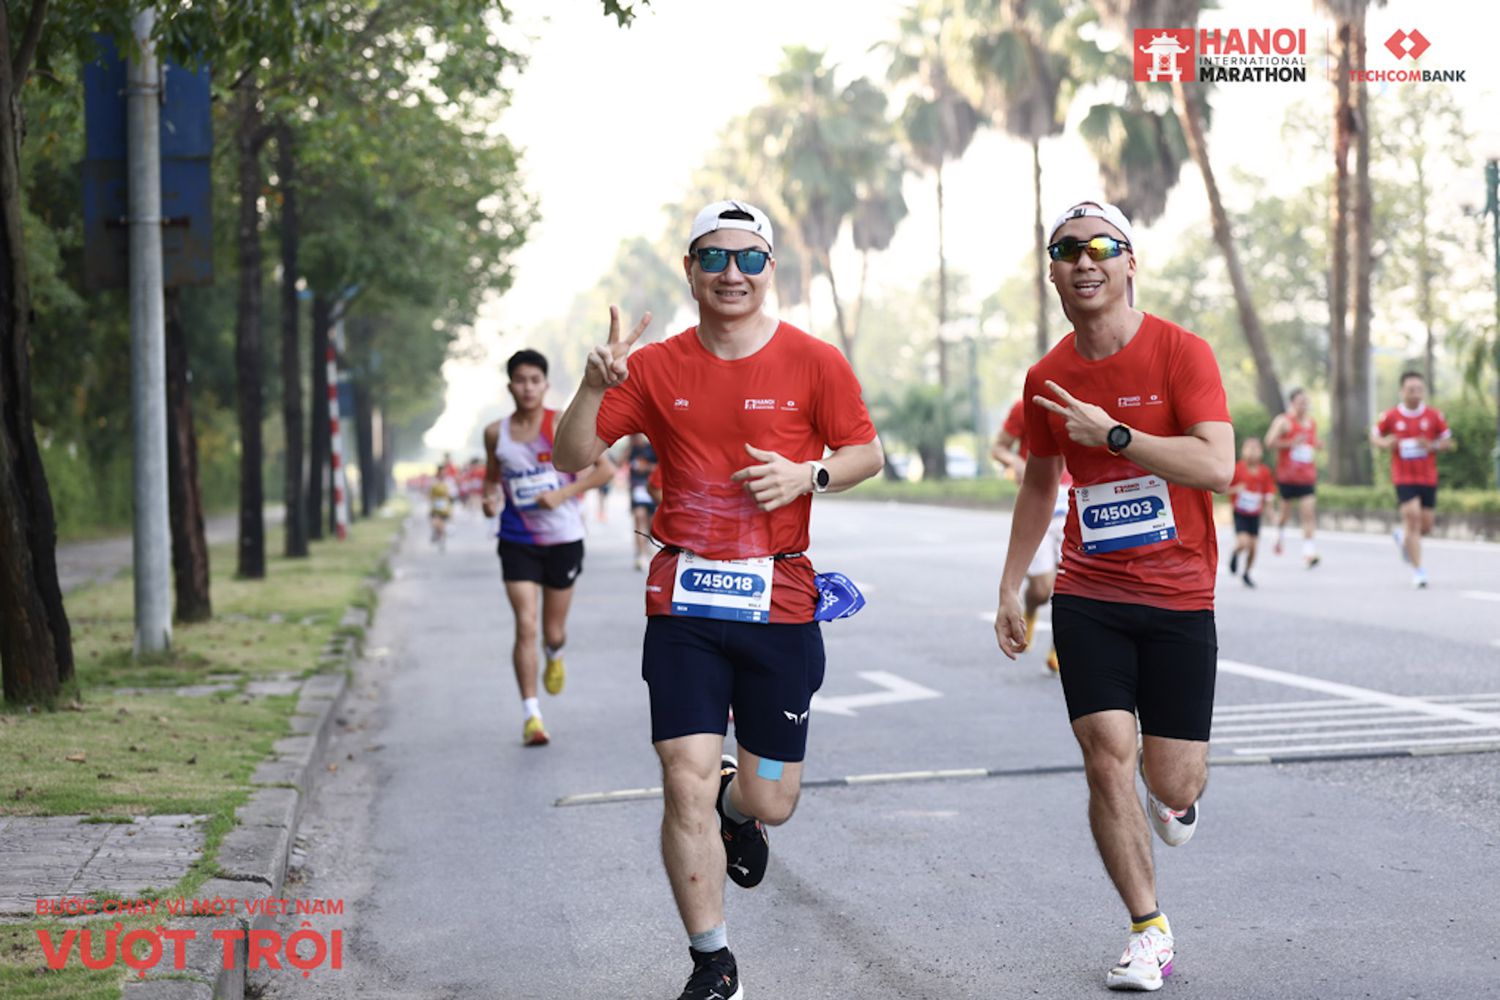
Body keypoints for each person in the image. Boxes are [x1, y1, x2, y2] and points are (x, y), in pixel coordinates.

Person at [553, 200, 883, 1000]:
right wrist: (590, 387)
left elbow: (865, 452)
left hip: (780, 603)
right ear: (691, 269)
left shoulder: (814, 361)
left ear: (770, 268)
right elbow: (572, 454)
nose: (731, 273)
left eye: (748, 258)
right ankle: (713, 961)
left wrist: (809, 475)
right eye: (714, 258)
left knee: (774, 797)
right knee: (682, 779)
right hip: (685, 604)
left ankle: (741, 809)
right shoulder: (655, 367)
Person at [993, 200, 1234, 993]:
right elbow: (1039, 484)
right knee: (1105, 755)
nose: (1085, 260)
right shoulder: (1046, 377)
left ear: (1131, 263)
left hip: (1179, 593)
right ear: (1053, 272)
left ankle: (1175, 802)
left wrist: (1118, 437)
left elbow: (1216, 467)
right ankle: (1147, 930)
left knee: (1173, 779)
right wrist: (1010, 585)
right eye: (1067, 249)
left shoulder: (1181, 353)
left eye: (1102, 245)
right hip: (1088, 591)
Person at [481, 349, 615, 747]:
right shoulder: (496, 433)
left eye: (534, 380)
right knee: (525, 624)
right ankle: (532, 716)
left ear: (545, 385)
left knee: (552, 632)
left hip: (563, 540)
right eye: (520, 380)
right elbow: (492, 478)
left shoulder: (560, 423)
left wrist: (563, 494)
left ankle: (554, 654)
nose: (528, 387)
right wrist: (489, 499)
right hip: (517, 539)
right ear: (510, 386)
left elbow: (605, 469)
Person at [993, 397, 1068, 672]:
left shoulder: (1090, 399)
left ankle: (1061, 649)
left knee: (1071, 586)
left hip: (1077, 503)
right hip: (1040, 504)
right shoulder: (1026, 406)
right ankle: (1031, 611)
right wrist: (1015, 461)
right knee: (1041, 589)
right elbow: (998, 447)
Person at [1370, 371, 1454, 589]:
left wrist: (1432, 445)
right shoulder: (1391, 416)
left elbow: (1448, 442)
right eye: (1411, 390)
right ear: (1402, 391)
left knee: (1426, 526)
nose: (1415, 394)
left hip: (1427, 477)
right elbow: (1374, 436)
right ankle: (1419, 571)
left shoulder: (1433, 416)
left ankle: (1403, 537)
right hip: (1403, 476)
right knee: (1412, 518)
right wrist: (1386, 443)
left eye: (1419, 389)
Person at [1264, 388, 1321, 567]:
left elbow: (1310, 444)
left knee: (1308, 514)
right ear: (1292, 403)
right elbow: (1269, 442)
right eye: (1300, 402)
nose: (1303, 405)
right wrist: (1290, 443)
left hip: (1307, 477)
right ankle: (1279, 532)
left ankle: (1309, 553)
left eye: (1306, 402)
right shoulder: (1283, 422)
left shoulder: (1311, 423)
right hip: (1287, 477)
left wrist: (1316, 445)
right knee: (1285, 515)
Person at [1227, 438, 1276, 588]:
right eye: (1249, 448)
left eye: (1256, 448)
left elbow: (1268, 495)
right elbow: (1223, 489)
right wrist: (1236, 489)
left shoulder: (1264, 472)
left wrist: (1272, 515)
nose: (1253, 452)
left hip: (1255, 514)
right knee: (1243, 542)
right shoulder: (1237, 469)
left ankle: (1247, 573)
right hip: (1240, 512)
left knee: (1253, 547)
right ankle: (1235, 553)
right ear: (1243, 451)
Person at [627, 432, 660, 571]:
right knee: (639, 518)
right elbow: (619, 464)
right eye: (632, 437)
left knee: (651, 523)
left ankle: (648, 547)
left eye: (636, 436)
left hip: (650, 488)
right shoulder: (631, 449)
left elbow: (659, 467)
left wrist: (645, 467)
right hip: (637, 489)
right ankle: (640, 554)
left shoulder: (651, 448)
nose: (635, 439)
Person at [427, 465, 454, 550]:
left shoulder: (449, 481)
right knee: (435, 522)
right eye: (441, 472)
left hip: (445, 507)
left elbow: (452, 494)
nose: (443, 474)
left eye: (444, 472)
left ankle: (442, 539)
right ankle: (436, 533)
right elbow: (430, 494)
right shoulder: (433, 482)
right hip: (435, 506)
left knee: (442, 524)